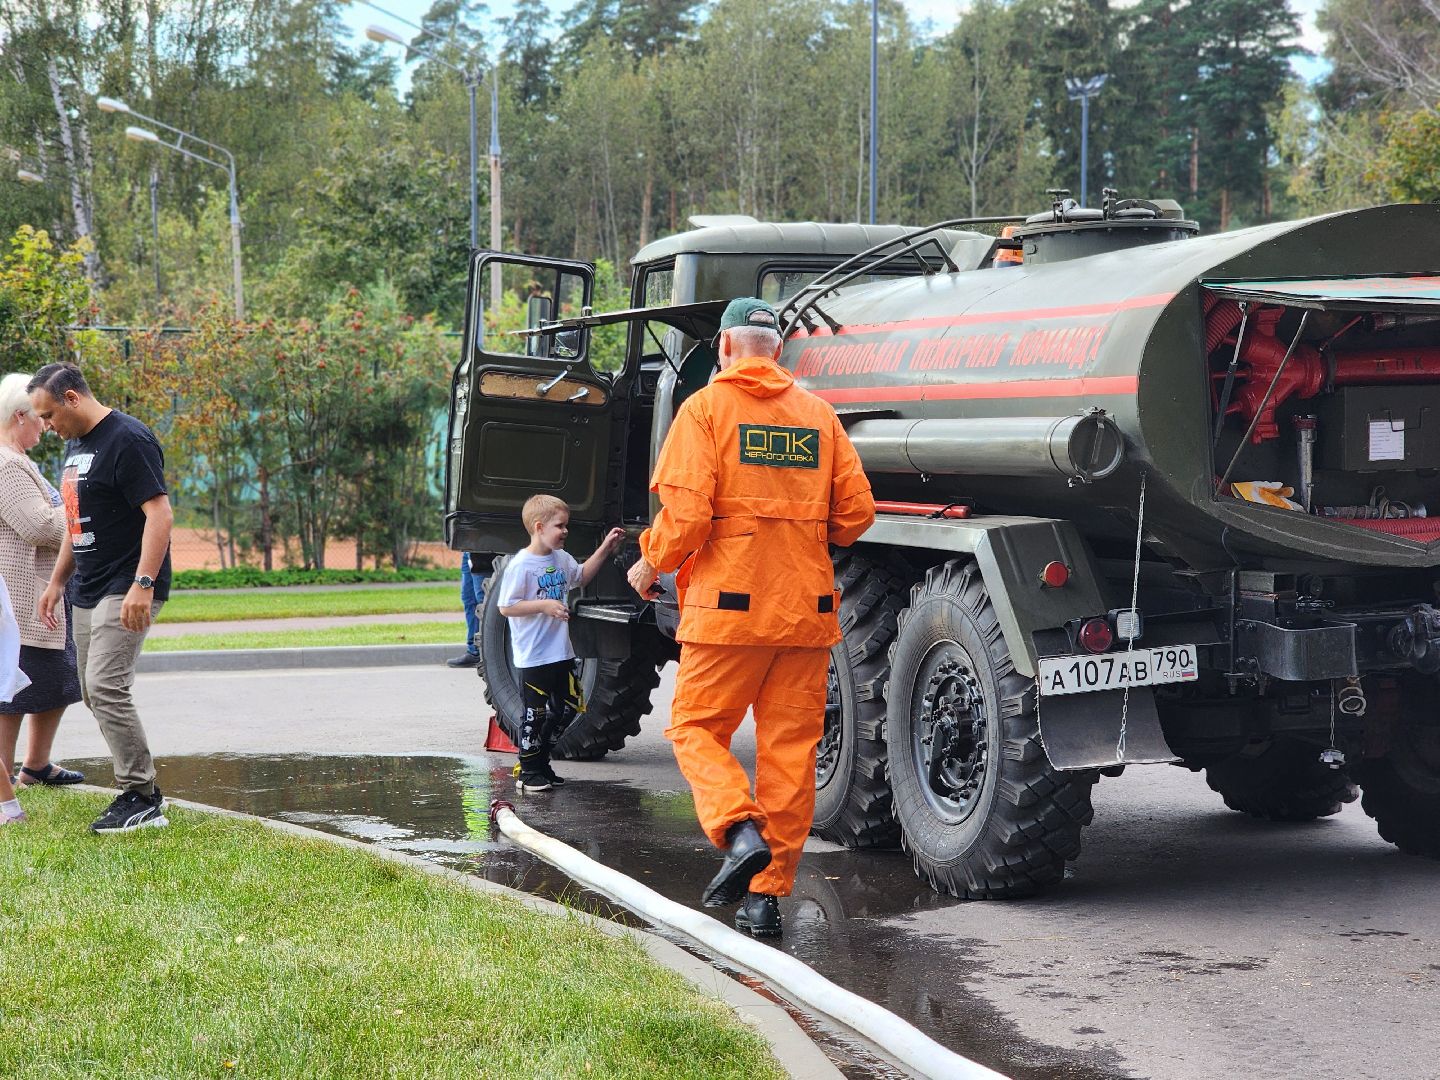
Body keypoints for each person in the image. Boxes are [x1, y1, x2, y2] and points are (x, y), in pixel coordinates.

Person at [627, 296, 875, 939]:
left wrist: (651, 561)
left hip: (727, 611)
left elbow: (687, 519)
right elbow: (855, 517)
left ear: (725, 348)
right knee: (790, 753)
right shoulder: (818, 417)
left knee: (696, 730)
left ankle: (738, 832)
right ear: (778, 351)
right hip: (805, 611)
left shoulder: (705, 411)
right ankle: (764, 900)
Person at [29, 363, 174, 834]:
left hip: (126, 585)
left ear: (72, 398)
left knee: (108, 688)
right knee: (94, 692)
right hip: (88, 586)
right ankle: (140, 791)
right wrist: (55, 582)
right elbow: (74, 521)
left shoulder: (128, 439)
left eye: (49, 415)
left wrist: (143, 583)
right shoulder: (76, 445)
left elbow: (161, 515)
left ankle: (142, 794)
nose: (47, 428)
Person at [497, 494, 624, 792]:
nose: (566, 531)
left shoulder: (561, 558)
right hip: (534, 658)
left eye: (566, 525)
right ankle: (528, 772)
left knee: (566, 709)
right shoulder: (521, 565)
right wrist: (544, 606)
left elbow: (580, 577)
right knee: (535, 714)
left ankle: (541, 763)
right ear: (539, 527)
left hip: (561, 653)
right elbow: (506, 607)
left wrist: (605, 548)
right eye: (560, 526)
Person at [0, 372, 85, 795]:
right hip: (21, 597)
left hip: (43, 591)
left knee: (56, 680)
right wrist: (80, 511)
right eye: (40, 417)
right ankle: (4, 781)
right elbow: (39, 526)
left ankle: (35, 767)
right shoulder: (6, 465)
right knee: (14, 691)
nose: (46, 426)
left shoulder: (22, 460)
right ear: (19, 416)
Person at [446, 552, 489, 668]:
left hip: (483, 549)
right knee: (469, 599)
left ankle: (487, 653)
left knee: (484, 601)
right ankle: (474, 651)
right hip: (469, 550)